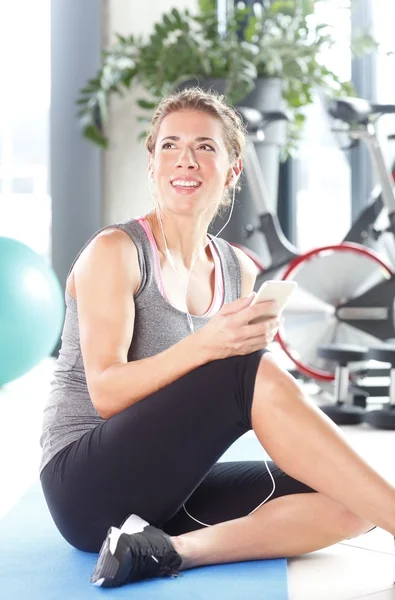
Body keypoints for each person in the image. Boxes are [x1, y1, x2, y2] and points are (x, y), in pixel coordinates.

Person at [39, 87, 395, 589]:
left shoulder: (236, 268)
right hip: (83, 487)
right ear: (152, 163)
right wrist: (218, 350)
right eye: (170, 145)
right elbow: (106, 393)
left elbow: (237, 403)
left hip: (166, 487)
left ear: (232, 171)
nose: (185, 159)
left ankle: (166, 551)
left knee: (349, 496)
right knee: (246, 376)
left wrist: (252, 352)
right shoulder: (116, 251)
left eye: (205, 146)